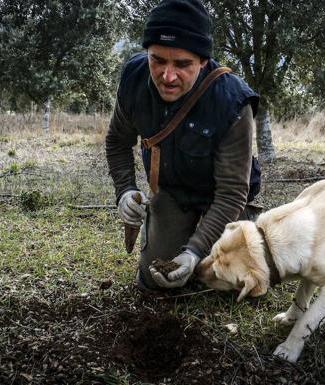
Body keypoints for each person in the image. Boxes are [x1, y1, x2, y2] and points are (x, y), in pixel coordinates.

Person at [105, 0, 260, 290]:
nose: (168, 76)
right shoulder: (133, 79)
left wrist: (194, 251)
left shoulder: (234, 102)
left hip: (226, 202)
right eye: (158, 60)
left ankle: (228, 246)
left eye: (183, 64)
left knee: (236, 284)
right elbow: (117, 140)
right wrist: (125, 190)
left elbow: (231, 193)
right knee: (157, 280)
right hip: (175, 192)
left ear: (203, 61)